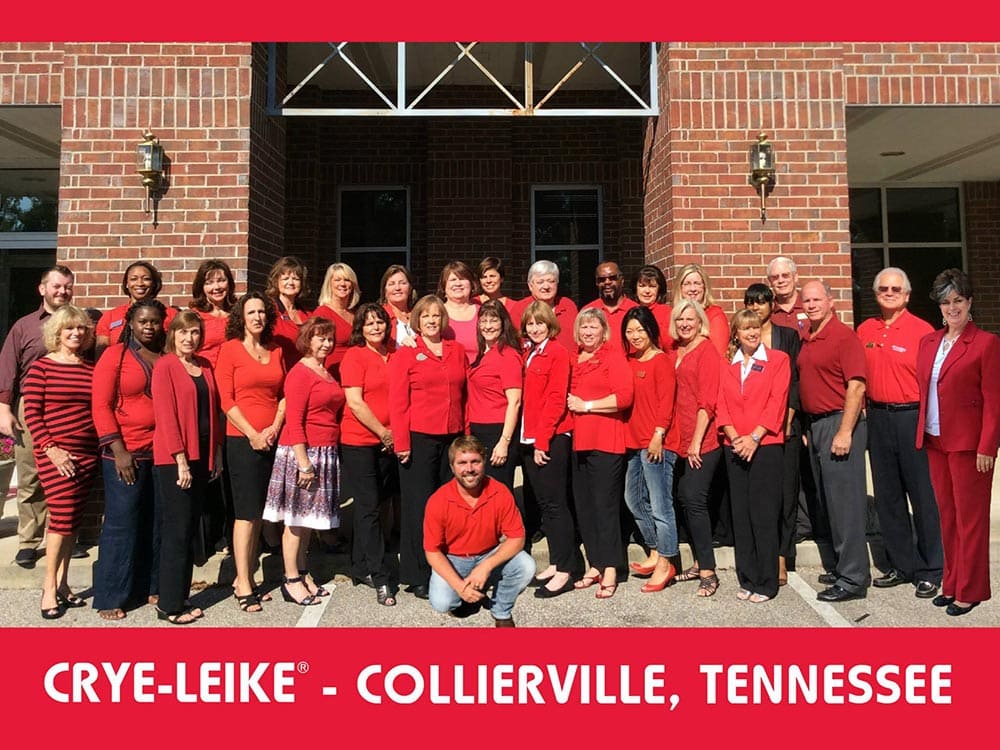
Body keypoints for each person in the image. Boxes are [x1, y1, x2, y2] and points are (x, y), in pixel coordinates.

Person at [915, 268, 1000, 617]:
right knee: (947, 518)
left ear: (970, 303)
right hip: (935, 439)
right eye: (946, 302)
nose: (952, 308)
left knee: (971, 521)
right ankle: (951, 584)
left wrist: (987, 446)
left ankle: (971, 590)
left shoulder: (986, 343)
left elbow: (994, 400)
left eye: (959, 301)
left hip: (969, 446)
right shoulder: (929, 342)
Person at [857, 268, 943, 599]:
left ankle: (931, 569)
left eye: (896, 289)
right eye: (883, 289)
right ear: (875, 294)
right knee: (888, 497)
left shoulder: (923, 332)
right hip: (878, 418)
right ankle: (901, 565)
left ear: (907, 295)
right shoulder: (865, 329)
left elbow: (936, 384)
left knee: (922, 497)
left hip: (912, 418)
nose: (889, 293)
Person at [90, 298, 166, 620]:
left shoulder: (167, 356)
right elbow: (100, 405)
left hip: (161, 453)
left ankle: (150, 585)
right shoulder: (115, 355)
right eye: (142, 321)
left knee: (156, 521)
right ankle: (111, 595)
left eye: (154, 321)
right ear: (131, 324)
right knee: (122, 523)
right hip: (125, 454)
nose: (149, 327)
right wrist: (119, 450)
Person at [389, 294, 468, 599]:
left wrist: (466, 437)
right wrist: (401, 442)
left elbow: (465, 395)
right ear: (417, 321)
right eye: (426, 316)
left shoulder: (456, 350)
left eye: (436, 315)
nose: (432, 320)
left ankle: (446, 570)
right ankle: (418, 574)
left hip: (451, 437)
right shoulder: (406, 354)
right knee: (419, 508)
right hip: (419, 439)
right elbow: (398, 402)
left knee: (449, 506)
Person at [22, 304, 98, 619]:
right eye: (69, 328)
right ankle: (49, 588)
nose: (76, 333)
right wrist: (51, 448)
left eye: (81, 328)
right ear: (57, 332)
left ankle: (64, 584)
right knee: (62, 520)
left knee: (72, 522)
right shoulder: (41, 367)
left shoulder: (89, 368)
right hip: (56, 455)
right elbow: (32, 413)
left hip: (86, 454)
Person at [798, 280, 871, 603]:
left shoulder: (844, 337)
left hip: (839, 423)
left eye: (817, 299)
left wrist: (844, 431)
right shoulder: (808, 336)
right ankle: (845, 566)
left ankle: (853, 579)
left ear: (831, 302)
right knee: (830, 503)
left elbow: (856, 387)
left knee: (846, 505)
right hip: (816, 426)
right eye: (807, 301)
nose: (811, 305)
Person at [264, 317, 343, 606]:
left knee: (308, 521)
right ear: (307, 340)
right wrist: (304, 463)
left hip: (324, 451)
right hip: (303, 453)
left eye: (330, 338)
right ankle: (290, 579)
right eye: (320, 338)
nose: (327, 343)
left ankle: (303, 571)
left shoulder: (325, 371)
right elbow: (294, 421)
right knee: (296, 521)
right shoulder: (300, 373)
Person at [215, 292, 286, 613]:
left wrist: (273, 428)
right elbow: (226, 400)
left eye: (261, 312)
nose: (257, 317)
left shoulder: (276, 349)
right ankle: (243, 581)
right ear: (241, 318)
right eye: (251, 312)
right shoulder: (230, 350)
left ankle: (248, 576)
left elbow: (284, 395)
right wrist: (253, 434)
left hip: (272, 438)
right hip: (243, 441)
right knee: (245, 513)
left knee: (259, 512)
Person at [0, 264, 75, 569]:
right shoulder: (25, 326)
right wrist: (4, 408)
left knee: (69, 471)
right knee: (30, 474)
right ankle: (29, 541)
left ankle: (65, 537)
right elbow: (8, 367)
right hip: (31, 406)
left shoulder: (80, 323)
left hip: (71, 408)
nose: (62, 291)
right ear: (42, 289)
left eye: (67, 286)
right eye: (56, 286)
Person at [151, 311, 224, 624]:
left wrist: (216, 453)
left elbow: (213, 411)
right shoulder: (165, 366)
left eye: (194, 332)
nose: (189, 338)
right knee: (177, 531)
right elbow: (165, 415)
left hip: (202, 454)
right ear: (173, 335)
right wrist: (180, 459)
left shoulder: (204, 365)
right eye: (183, 332)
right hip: (175, 459)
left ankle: (181, 596)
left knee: (190, 527)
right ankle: (169, 604)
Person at [717, 309, 791, 603]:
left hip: (766, 446)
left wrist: (755, 437)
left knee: (763, 514)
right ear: (736, 333)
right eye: (746, 328)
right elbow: (720, 404)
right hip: (734, 445)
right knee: (741, 514)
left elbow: (777, 402)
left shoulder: (778, 360)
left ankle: (767, 581)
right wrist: (735, 436)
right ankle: (747, 577)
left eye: (755, 327)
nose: (752, 333)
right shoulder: (727, 364)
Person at [424, 435, 535, 627]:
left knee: (526, 566)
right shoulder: (438, 500)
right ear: (452, 467)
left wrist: (485, 567)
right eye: (462, 463)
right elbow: (432, 551)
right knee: (442, 603)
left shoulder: (499, 492)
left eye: (475, 461)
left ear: (484, 463)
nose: (469, 469)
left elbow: (517, 538)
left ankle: (501, 611)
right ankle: (469, 597)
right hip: (454, 559)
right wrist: (460, 587)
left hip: (488, 553)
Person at [566, 307, 634, 600]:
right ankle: (594, 563)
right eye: (583, 327)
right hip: (579, 443)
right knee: (585, 507)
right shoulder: (574, 359)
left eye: (593, 327)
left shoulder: (612, 357)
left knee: (605, 508)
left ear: (604, 331)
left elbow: (624, 397)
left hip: (606, 441)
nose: (588, 332)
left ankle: (610, 568)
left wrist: (587, 405)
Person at [340, 303, 399, 606]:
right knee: (369, 506)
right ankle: (380, 576)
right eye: (369, 323)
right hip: (360, 441)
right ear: (360, 329)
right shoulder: (355, 356)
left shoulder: (396, 354)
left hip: (390, 443)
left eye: (379, 322)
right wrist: (383, 432)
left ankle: (360, 565)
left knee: (380, 503)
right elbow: (355, 402)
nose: (375, 327)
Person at [744, 282, 802, 585]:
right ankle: (761, 553)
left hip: (784, 426)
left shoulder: (787, 336)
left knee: (786, 494)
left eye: (761, 302)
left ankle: (781, 556)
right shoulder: (744, 338)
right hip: (753, 430)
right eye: (750, 302)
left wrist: (789, 419)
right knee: (761, 495)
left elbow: (795, 381)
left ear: (771, 305)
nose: (756, 307)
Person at [519, 301, 577, 599]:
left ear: (550, 324)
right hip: (530, 437)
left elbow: (555, 399)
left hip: (551, 437)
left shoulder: (557, 353)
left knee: (555, 504)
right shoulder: (530, 352)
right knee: (545, 504)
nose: (535, 328)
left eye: (539, 322)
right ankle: (556, 561)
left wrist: (542, 440)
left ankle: (566, 569)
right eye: (530, 323)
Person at [666, 299, 723, 597]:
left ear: (700, 321)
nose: (685, 324)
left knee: (694, 498)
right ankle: (699, 562)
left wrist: (697, 441)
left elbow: (707, 401)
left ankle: (709, 571)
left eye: (690, 319)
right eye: (680, 319)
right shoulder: (675, 350)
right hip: (679, 439)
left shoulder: (706, 351)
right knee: (683, 498)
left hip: (703, 440)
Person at [621, 306, 679, 593]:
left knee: (660, 505)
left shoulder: (661, 361)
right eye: (629, 331)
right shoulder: (630, 361)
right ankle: (655, 549)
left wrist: (659, 433)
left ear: (651, 330)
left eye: (640, 330)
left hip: (657, 443)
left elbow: (666, 401)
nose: (635, 336)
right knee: (633, 499)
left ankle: (667, 562)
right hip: (634, 442)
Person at [467, 300, 523, 495]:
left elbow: (515, 402)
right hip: (478, 431)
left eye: (494, 320)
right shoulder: (484, 354)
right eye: (484, 321)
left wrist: (504, 442)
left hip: (497, 431)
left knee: (498, 493)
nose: (488, 326)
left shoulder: (508, 355)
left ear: (503, 323)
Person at [94, 261, 175, 355]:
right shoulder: (110, 316)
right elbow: (101, 354)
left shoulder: (170, 314)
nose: (140, 283)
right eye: (134, 279)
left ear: (153, 283)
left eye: (146, 279)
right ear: (126, 284)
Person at [508, 260, 578, 352]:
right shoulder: (520, 308)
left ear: (557, 283)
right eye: (540, 282)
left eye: (551, 281)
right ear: (530, 286)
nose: (546, 286)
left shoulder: (568, 305)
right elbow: (514, 344)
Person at [265, 256, 313, 368]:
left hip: (303, 371)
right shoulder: (269, 310)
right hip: (278, 370)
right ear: (276, 281)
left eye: (296, 279)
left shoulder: (308, 315)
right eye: (285, 278)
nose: (291, 283)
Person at [314, 262, 360, 379]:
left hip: (356, 374)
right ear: (329, 284)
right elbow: (314, 350)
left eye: (347, 280)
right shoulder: (322, 313)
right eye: (337, 280)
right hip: (333, 375)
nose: (342, 284)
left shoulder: (357, 314)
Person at [189, 259, 238, 368]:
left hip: (235, 373)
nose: (216, 287)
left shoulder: (238, 313)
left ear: (229, 283)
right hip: (207, 372)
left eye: (221, 280)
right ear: (202, 287)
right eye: (209, 283)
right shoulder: (195, 316)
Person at [672, 262, 728, 355]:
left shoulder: (715, 315)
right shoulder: (674, 315)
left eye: (697, 283)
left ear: (704, 287)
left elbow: (719, 355)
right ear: (680, 288)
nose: (692, 289)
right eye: (687, 284)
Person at [583, 261, 637, 350]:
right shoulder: (588, 311)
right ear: (597, 283)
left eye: (612, 278)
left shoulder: (636, 311)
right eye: (602, 279)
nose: (607, 282)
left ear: (622, 280)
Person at [439, 260, 480, 363]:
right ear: (444, 286)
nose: (458, 284)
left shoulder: (483, 313)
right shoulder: (436, 313)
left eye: (462, 279)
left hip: (480, 370)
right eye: (453, 280)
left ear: (471, 284)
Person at [632, 264, 674, 350]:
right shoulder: (630, 311)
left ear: (659, 289)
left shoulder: (666, 312)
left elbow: (670, 345)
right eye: (642, 286)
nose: (647, 291)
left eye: (652, 286)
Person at [767, 256, 808, 337]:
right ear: (769, 282)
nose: (781, 281)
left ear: (795, 277)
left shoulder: (810, 305)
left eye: (785, 275)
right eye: (775, 277)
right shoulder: (767, 312)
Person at [380, 264, 419, 349]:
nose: (397, 288)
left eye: (402, 283)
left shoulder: (419, 315)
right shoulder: (380, 316)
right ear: (385, 290)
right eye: (391, 284)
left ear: (410, 288)